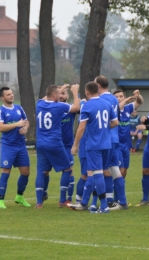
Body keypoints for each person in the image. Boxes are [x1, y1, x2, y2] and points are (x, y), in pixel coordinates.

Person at [70, 81, 118, 214]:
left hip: (94, 145)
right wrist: (103, 129)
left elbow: (81, 127)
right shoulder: (107, 104)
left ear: (87, 92)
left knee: (97, 174)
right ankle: (86, 203)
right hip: (107, 144)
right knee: (97, 172)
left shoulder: (87, 105)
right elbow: (115, 122)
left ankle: (103, 206)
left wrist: (75, 145)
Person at [35, 84, 80, 208]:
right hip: (54, 143)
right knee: (67, 170)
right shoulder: (59, 106)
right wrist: (75, 93)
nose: (60, 96)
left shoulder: (39, 104)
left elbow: (47, 96)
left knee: (41, 171)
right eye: (58, 94)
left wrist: (57, 90)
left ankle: (39, 203)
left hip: (40, 144)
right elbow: (76, 107)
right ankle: (61, 200)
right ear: (55, 95)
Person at [0, 86, 31, 209]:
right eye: (8, 94)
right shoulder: (1, 111)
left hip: (20, 145)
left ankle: (19, 196)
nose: (11, 95)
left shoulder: (19, 108)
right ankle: (1, 201)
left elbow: (26, 122)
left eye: (11, 93)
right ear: (2, 97)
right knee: (6, 172)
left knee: (26, 173)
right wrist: (17, 124)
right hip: (8, 146)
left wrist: (25, 127)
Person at [96, 75, 128, 210]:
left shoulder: (101, 100)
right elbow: (117, 120)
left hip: (106, 140)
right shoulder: (114, 100)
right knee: (114, 170)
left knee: (99, 170)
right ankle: (121, 202)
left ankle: (94, 202)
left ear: (98, 86)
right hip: (115, 139)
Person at [113, 89, 143, 179]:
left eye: (121, 96)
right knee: (120, 171)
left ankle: (119, 190)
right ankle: (116, 191)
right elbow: (117, 108)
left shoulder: (128, 108)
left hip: (126, 145)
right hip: (116, 146)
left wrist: (138, 96)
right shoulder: (112, 109)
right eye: (116, 97)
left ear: (125, 97)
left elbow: (139, 102)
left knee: (125, 172)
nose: (119, 99)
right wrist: (125, 100)